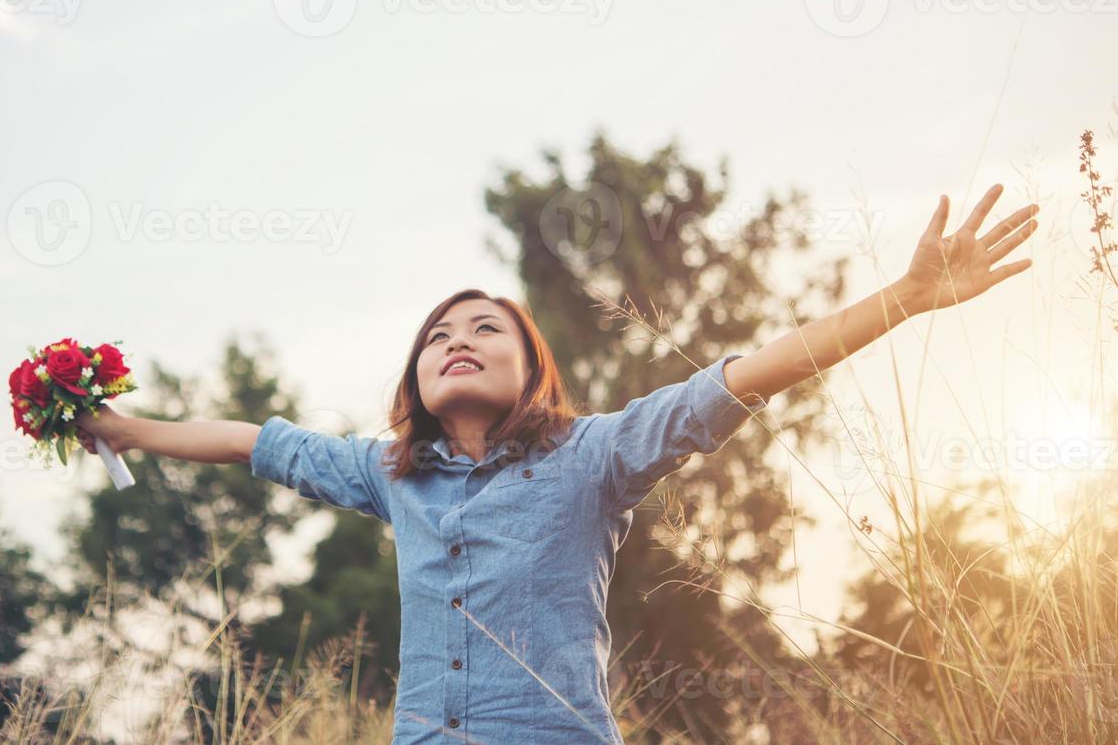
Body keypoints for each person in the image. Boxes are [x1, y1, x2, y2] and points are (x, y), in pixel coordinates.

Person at [76, 183, 1037, 743]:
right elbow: (258, 442)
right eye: (436, 335)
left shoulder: (594, 456)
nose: (456, 339)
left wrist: (906, 299)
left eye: (484, 328)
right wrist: (129, 429)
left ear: (532, 364)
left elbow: (741, 377)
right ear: (414, 375)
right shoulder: (389, 473)